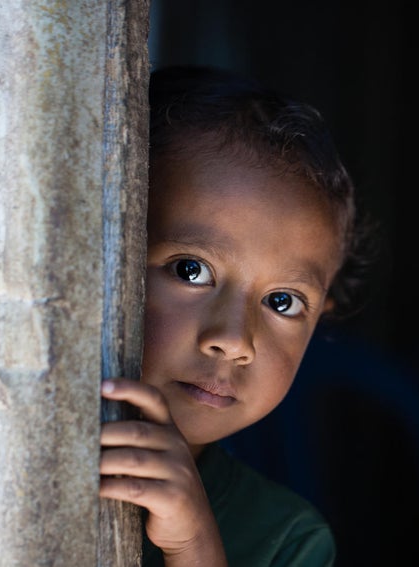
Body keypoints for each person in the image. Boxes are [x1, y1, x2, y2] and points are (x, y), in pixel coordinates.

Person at [100, 66, 366, 566]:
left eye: (282, 302)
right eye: (190, 270)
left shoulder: (288, 540)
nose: (234, 340)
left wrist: (193, 546)